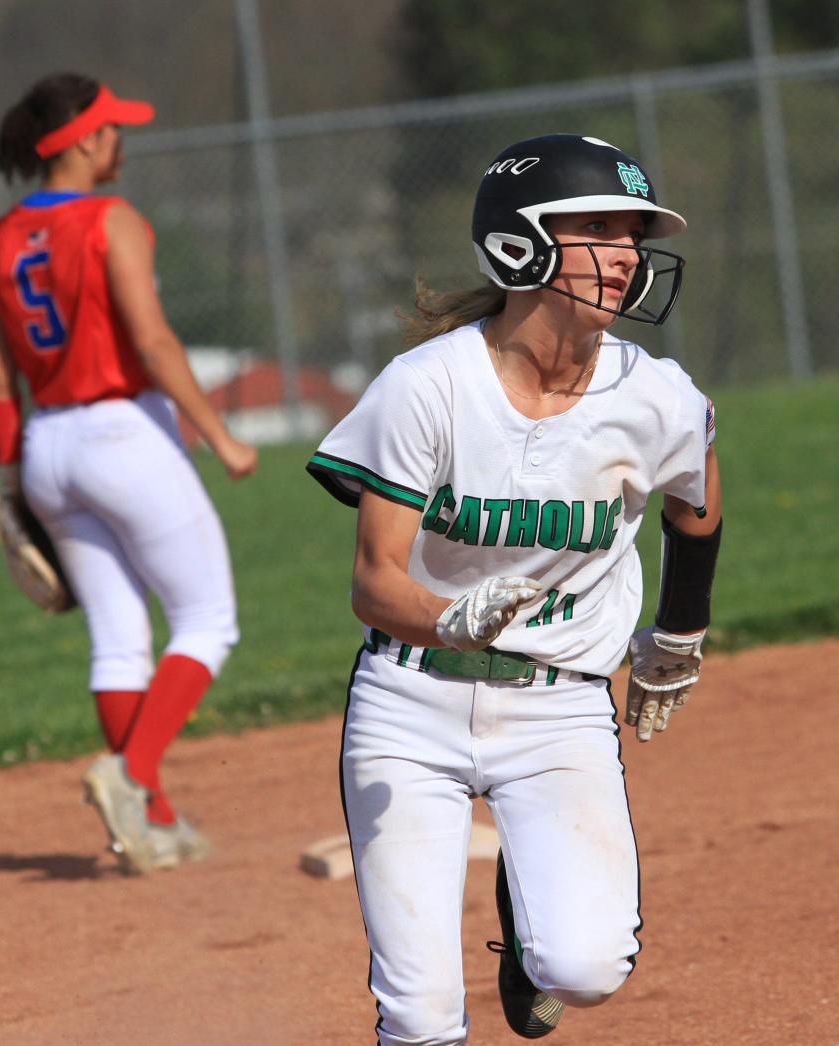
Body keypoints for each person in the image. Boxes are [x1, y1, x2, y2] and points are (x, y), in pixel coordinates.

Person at [306, 133, 723, 1043]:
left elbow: (696, 504)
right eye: (600, 231)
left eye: (633, 235)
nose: (628, 257)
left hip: (559, 709)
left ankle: (522, 920)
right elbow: (376, 580)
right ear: (520, 244)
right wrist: (451, 618)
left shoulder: (653, 398)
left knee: (584, 968)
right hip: (409, 702)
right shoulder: (429, 387)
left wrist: (678, 638)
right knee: (418, 1016)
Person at [0, 73, 258, 875]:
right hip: (121, 432)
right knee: (207, 621)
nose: (120, 142)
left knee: (119, 639)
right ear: (82, 142)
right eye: (111, 130)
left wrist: (10, 484)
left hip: (46, 449)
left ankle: (153, 821)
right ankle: (131, 777)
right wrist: (220, 436)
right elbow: (156, 342)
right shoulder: (111, 220)